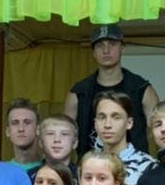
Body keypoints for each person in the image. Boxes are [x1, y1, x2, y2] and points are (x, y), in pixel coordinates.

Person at [65, 25, 159, 153]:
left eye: (112, 44)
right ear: (93, 52)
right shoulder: (78, 92)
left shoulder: (142, 89)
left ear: (122, 48)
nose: (106, 50)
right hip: (90, 163)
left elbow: (160, 130)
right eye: (100, 46)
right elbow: (65, 135)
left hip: (133, 164)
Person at [79, 91, 156, 185]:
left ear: (129, 123)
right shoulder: (86, 165)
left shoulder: (148, 167)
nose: (107, 124)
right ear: (95, 123)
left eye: (116, 117)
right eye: (102, 117)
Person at [4, 98, 43, 173]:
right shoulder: (1, 172)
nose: (21, 129)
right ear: (8, 131)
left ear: (38, 129)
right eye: (15, 123)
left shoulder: (53, 168)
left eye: (27, 122)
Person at [39, 114, 80, 179]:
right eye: (50, 134)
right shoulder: (28, 177)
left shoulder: (83, 176)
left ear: (74, 143)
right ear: (41, 142)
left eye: (64, 134)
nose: (57, 140)